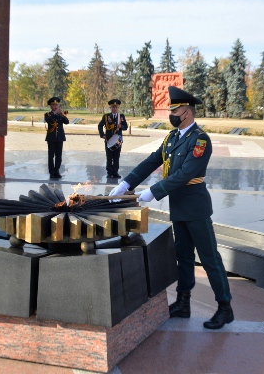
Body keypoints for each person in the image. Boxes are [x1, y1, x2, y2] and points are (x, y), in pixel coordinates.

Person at [109, 86, 234, 330]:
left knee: (210, 259)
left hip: (195, 208)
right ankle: (183, 302)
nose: (171, 114)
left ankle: (225, 307)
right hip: (179, 206)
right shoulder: (172, 137)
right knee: (183, 256)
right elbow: (152, 161)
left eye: (174, 110)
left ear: (186, 112)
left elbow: (185, 174)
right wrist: (126, 183)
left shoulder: (200, 140)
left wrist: (152, 192)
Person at [98, 99, 128, 178]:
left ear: (118, 108)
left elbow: (126, 127)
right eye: (113, 107)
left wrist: (121, 126)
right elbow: (100, 126)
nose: (114, 109)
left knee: (116, 156)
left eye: (116, 107)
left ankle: (115, 172)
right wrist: (102, 135)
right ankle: (109, 172)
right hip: (108, 139)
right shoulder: (106, 116)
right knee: (109, 156)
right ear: (110, 108)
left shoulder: (121, 116)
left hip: (118, 140)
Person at [44, 97, 69, 179]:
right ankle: (51, 172)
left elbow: (67, 122)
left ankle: (56, 171)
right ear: (51, 106)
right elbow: (48, 120)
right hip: (51, 138)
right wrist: (54, 113)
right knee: (51, 156)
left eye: (56, 105)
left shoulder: (60, 115)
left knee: (59, 156)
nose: (55, 107)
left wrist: (62, 115)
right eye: (53, 105)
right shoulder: (48, 114)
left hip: (60, 138)